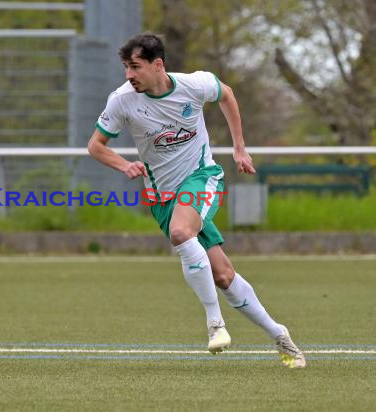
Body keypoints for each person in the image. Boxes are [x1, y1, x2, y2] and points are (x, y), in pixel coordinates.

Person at [87, 32, 306, 368]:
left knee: (180, 233)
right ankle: (280, 335)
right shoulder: (122, 100)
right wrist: (124, 164)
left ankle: (215, 323)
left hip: (202, 178)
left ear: (158, 65)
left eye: (135, 67)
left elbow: (227, 95)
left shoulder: (194, 84)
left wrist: (239, 147)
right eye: (126, 68)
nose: (129, 75)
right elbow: (96, 145)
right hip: (162, 196)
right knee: (223, 276)